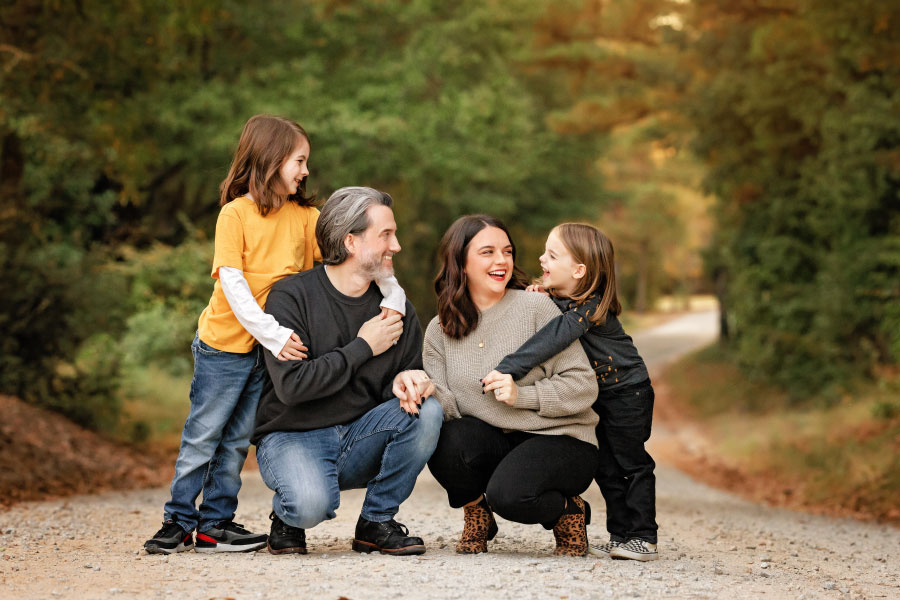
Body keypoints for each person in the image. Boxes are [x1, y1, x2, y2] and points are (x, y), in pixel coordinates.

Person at [143, 117, 406, 555]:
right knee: (204, 434)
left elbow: (353, 260)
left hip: (269, 354)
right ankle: (177, 519)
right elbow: (233, 283)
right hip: (226, 345)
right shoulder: (235, 214)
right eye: (298, 161)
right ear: (270, 160)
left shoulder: (307, 218)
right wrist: (272, 333)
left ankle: (215, 524)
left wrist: (393, 298)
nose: (305, 170)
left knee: (236, 439)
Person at [253, 186, 442, 557]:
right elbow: (292, 386)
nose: (397, 245)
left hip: (359, 435)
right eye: (386, 235)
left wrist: (409, 382)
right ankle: (289, 517)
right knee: (309, 506)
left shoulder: (395, 308)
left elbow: (403, 376)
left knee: (428, 410)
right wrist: (363, 346)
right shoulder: (291, 297)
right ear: (350, 241)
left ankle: (376, 522)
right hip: (293, 435)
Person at [424, 214, 600, 557]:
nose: (501, 261)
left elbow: (583, 385)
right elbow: (445, 405)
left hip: (561, 438)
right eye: (488, 252)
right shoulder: (439, 329)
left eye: (507, 251)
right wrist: (420, 389)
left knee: (511, 496)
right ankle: (477, 512)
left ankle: (569, 512)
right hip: (498, 442)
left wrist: (523, 395)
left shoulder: (535, 307)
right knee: (443, 437)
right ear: (460, 261)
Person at [483, 223, 659, 561]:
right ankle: (622, 536)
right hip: (601, 396)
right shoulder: (566, 301)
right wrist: (542, 295)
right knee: (608, 467)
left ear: (579, 270)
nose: (541, 258)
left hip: (628, 394)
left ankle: (643, 536)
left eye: (552, 255)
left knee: (631, 464)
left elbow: (553, 338)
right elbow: (551, 313)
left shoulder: (591, 308)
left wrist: (508, 369)